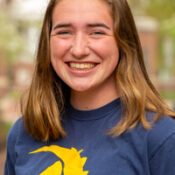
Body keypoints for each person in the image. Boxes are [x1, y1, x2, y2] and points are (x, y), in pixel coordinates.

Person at [4, 0, 175, 174]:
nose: (79, 50)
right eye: (64, 32)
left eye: (96, 32)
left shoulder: (162, 138)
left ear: (122, 40)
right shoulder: (23, 132)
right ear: (47, 42)